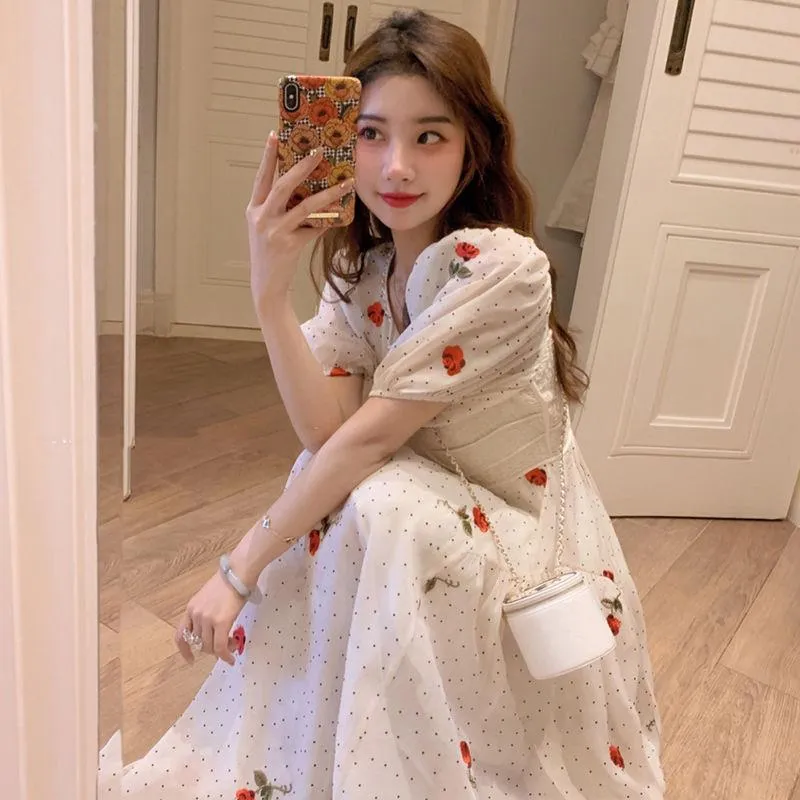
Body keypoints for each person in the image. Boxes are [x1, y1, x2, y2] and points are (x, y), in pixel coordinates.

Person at [101, 10, 665, 799]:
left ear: (473, 148)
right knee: (341, 483)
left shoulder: (500, 269)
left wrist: (239, 569)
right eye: (370, 134)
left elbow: (364, 445)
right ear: (343, 142)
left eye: (430, 136)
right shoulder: (368, 273)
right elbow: (324, 433)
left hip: (515, 534)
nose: (397, 166)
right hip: (418, 517)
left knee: (378, 495)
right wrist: (268, 293)